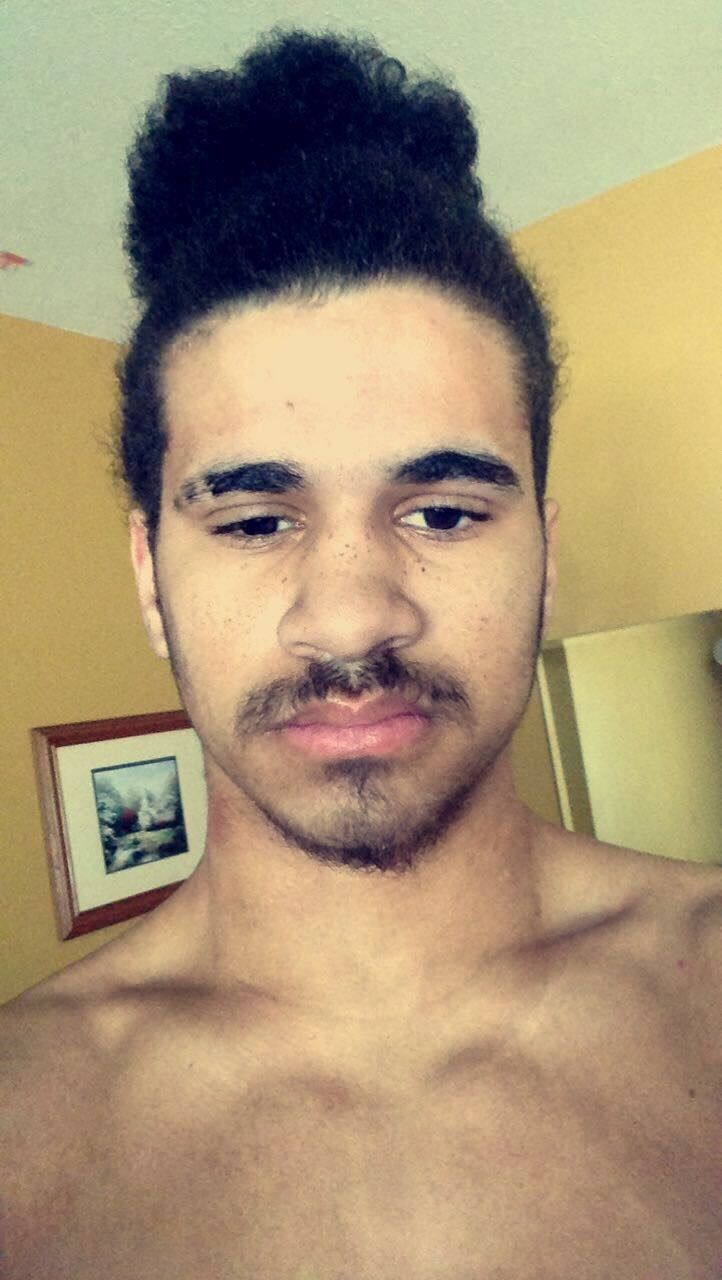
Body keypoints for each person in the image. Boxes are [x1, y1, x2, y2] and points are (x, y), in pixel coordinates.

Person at [1, 29, 720, 1280]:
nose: (346, 620)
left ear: (543, 554)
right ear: (150, 578)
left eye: (440, 511)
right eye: (253, 520)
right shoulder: (23, 1129)